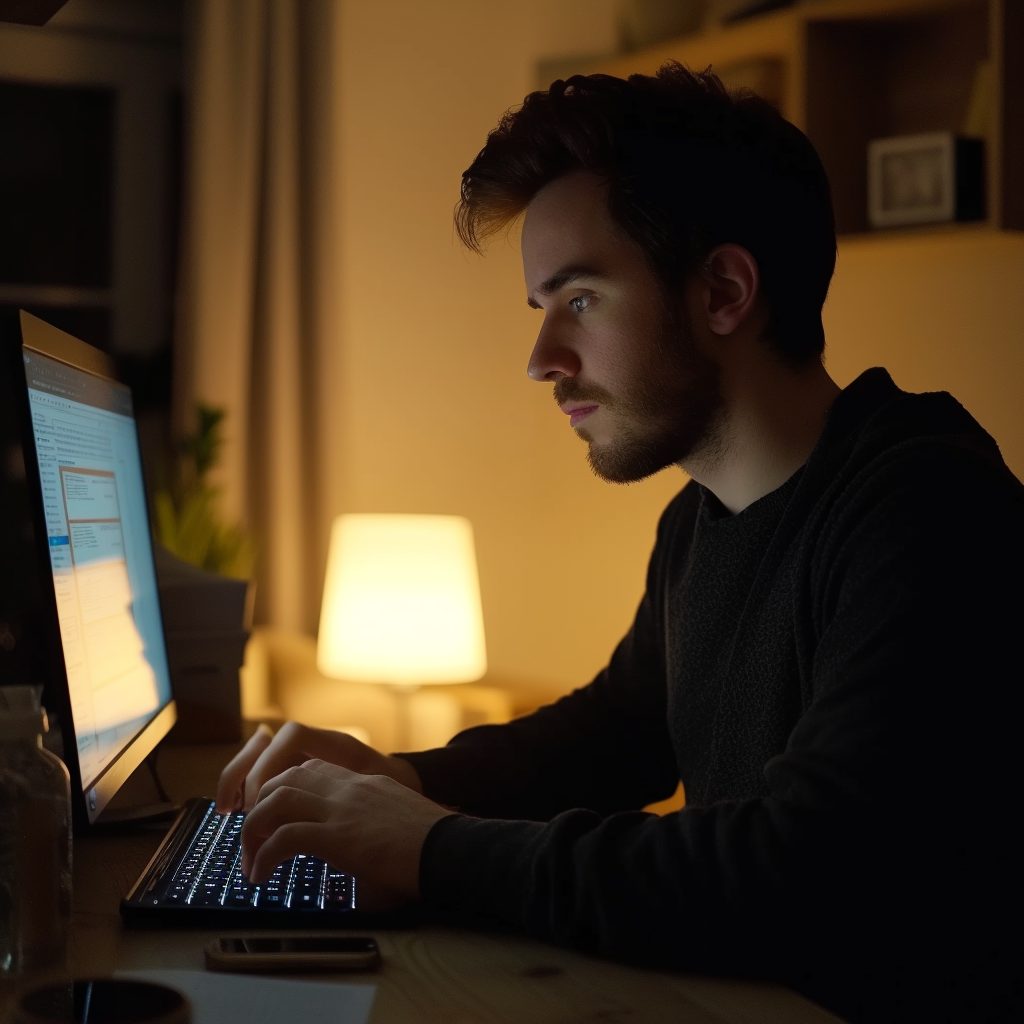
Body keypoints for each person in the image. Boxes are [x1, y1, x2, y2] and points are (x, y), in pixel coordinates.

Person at [218, 64, 1023, 1023]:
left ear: (724, 290)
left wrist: (427, 847)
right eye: (541, 310)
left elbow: (804, 869)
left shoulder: (925, 507)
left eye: (582, 300)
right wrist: (400, 780)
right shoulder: (701, 518)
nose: (541, 359)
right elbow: (619, 734)